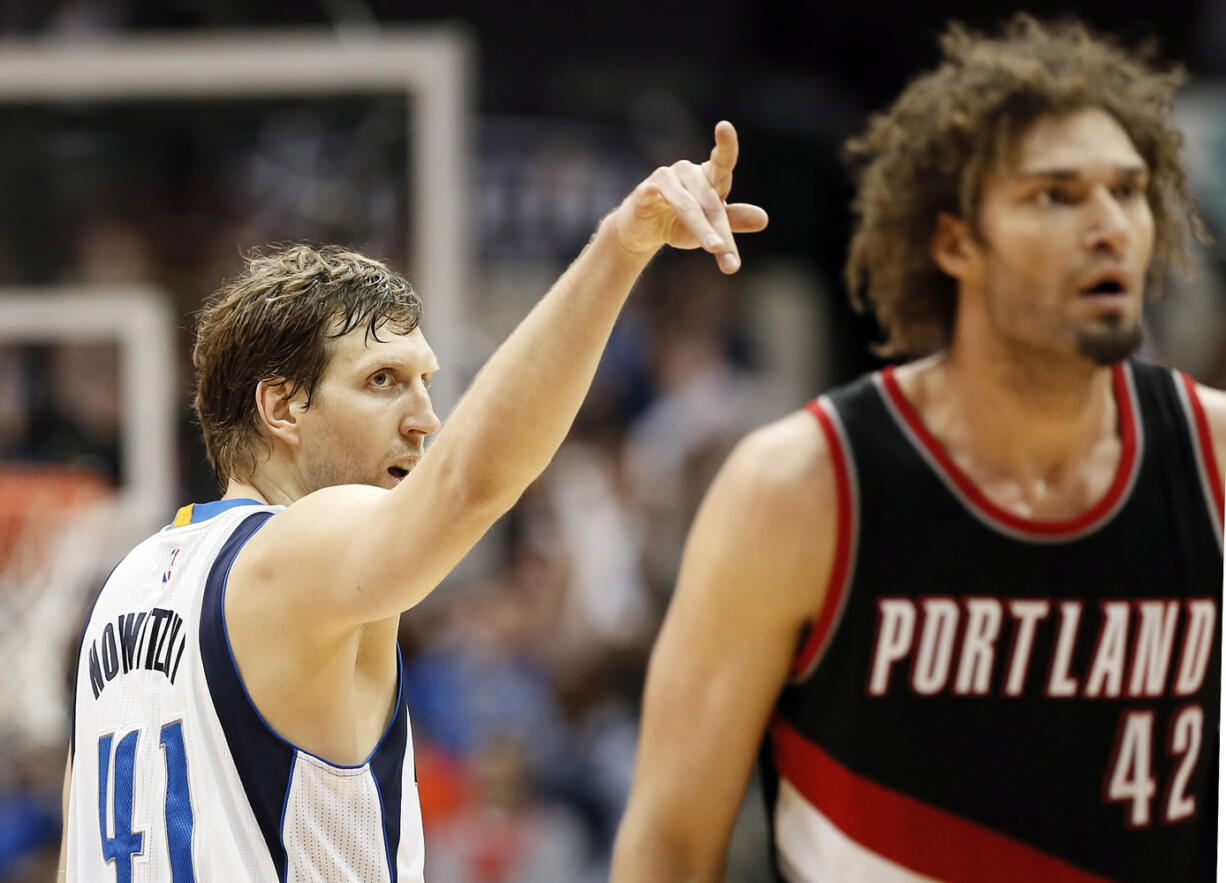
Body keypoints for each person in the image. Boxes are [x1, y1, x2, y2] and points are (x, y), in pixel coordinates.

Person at [57, 122, 767, 882]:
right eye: (383, 381)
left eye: (426, 381)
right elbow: (471, 483)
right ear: (282, 408)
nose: (426, 417)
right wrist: (620, 247)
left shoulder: (122, 588)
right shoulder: (291, 547)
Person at [612, 16, 1225, 883]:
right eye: (1055, 195)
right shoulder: (801, 488)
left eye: (1126, 192)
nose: (1108, 226)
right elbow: (668, 852)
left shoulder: (1214, 462)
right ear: (953, 241)